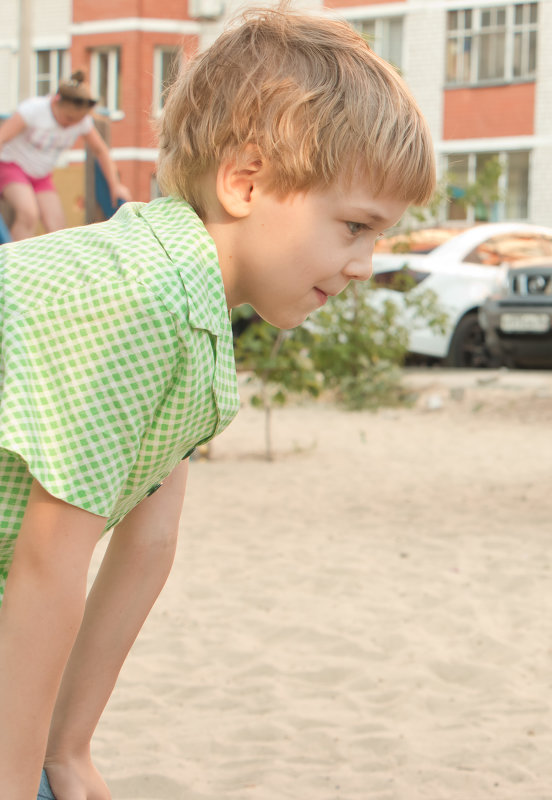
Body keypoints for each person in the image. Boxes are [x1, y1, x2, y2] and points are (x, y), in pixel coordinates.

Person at [0, 8, 436, 799]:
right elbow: (48, 558)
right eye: (354, 226)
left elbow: (148, 545)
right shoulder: (139, 296)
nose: (367, 264)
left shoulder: (192, 317)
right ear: (245, 182)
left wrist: (68, 747)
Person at [0, 71, 131, 241]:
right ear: (56, 102)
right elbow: (2, 137)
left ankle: (56, 265)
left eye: (76, 121)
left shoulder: (81, 121)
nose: (70, 125)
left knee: (58, 226)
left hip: (41, 175)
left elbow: (101, 150)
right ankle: (12, 264)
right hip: (12, 165)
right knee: (28, 213)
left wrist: (115, 185)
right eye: (68, 118)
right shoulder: (34, 110)